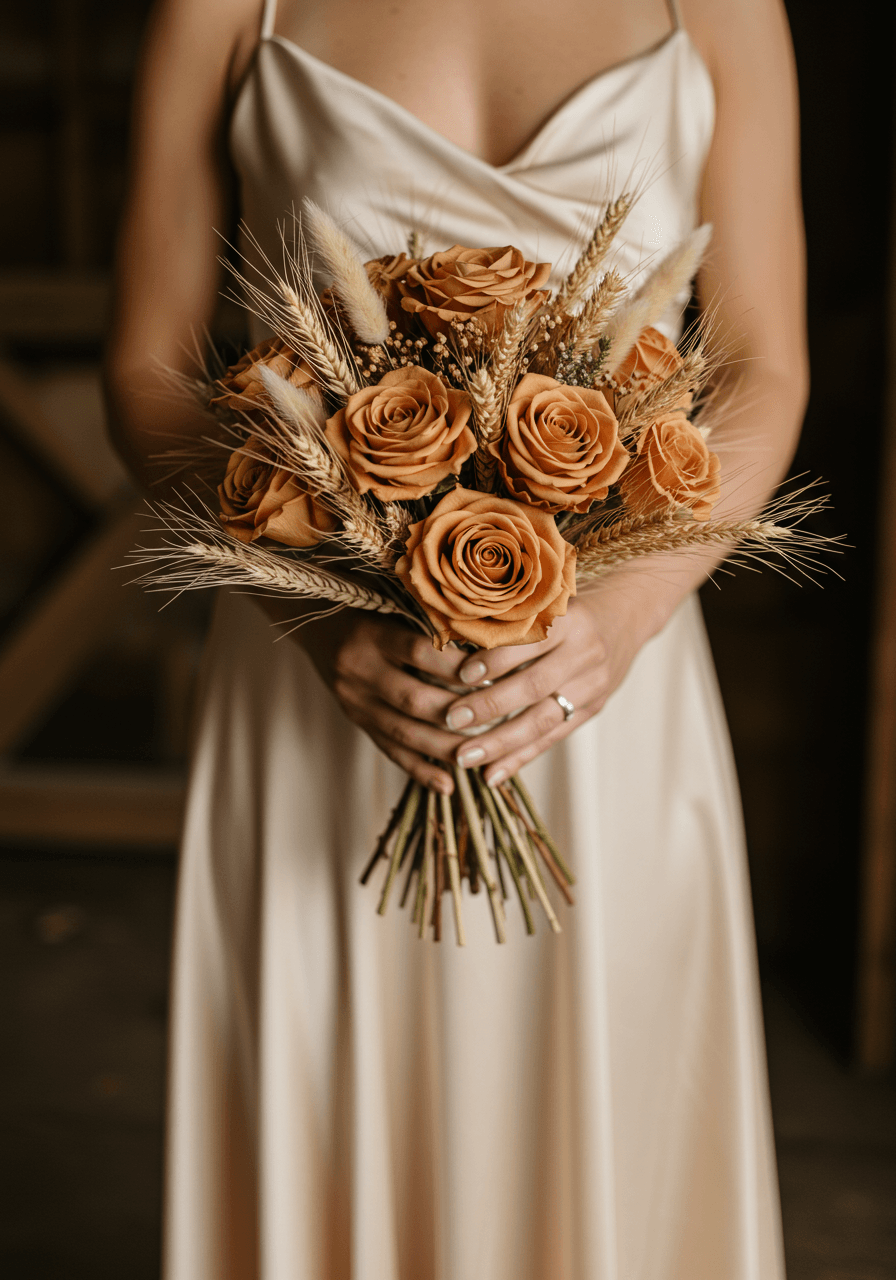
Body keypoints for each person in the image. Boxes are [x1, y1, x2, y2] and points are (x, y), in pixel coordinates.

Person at [105, 0, 808, 1275]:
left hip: (603, 696)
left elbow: (762, 361)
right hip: (319, 688)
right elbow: (148, 367)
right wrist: (321, 616)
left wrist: (623, 610)